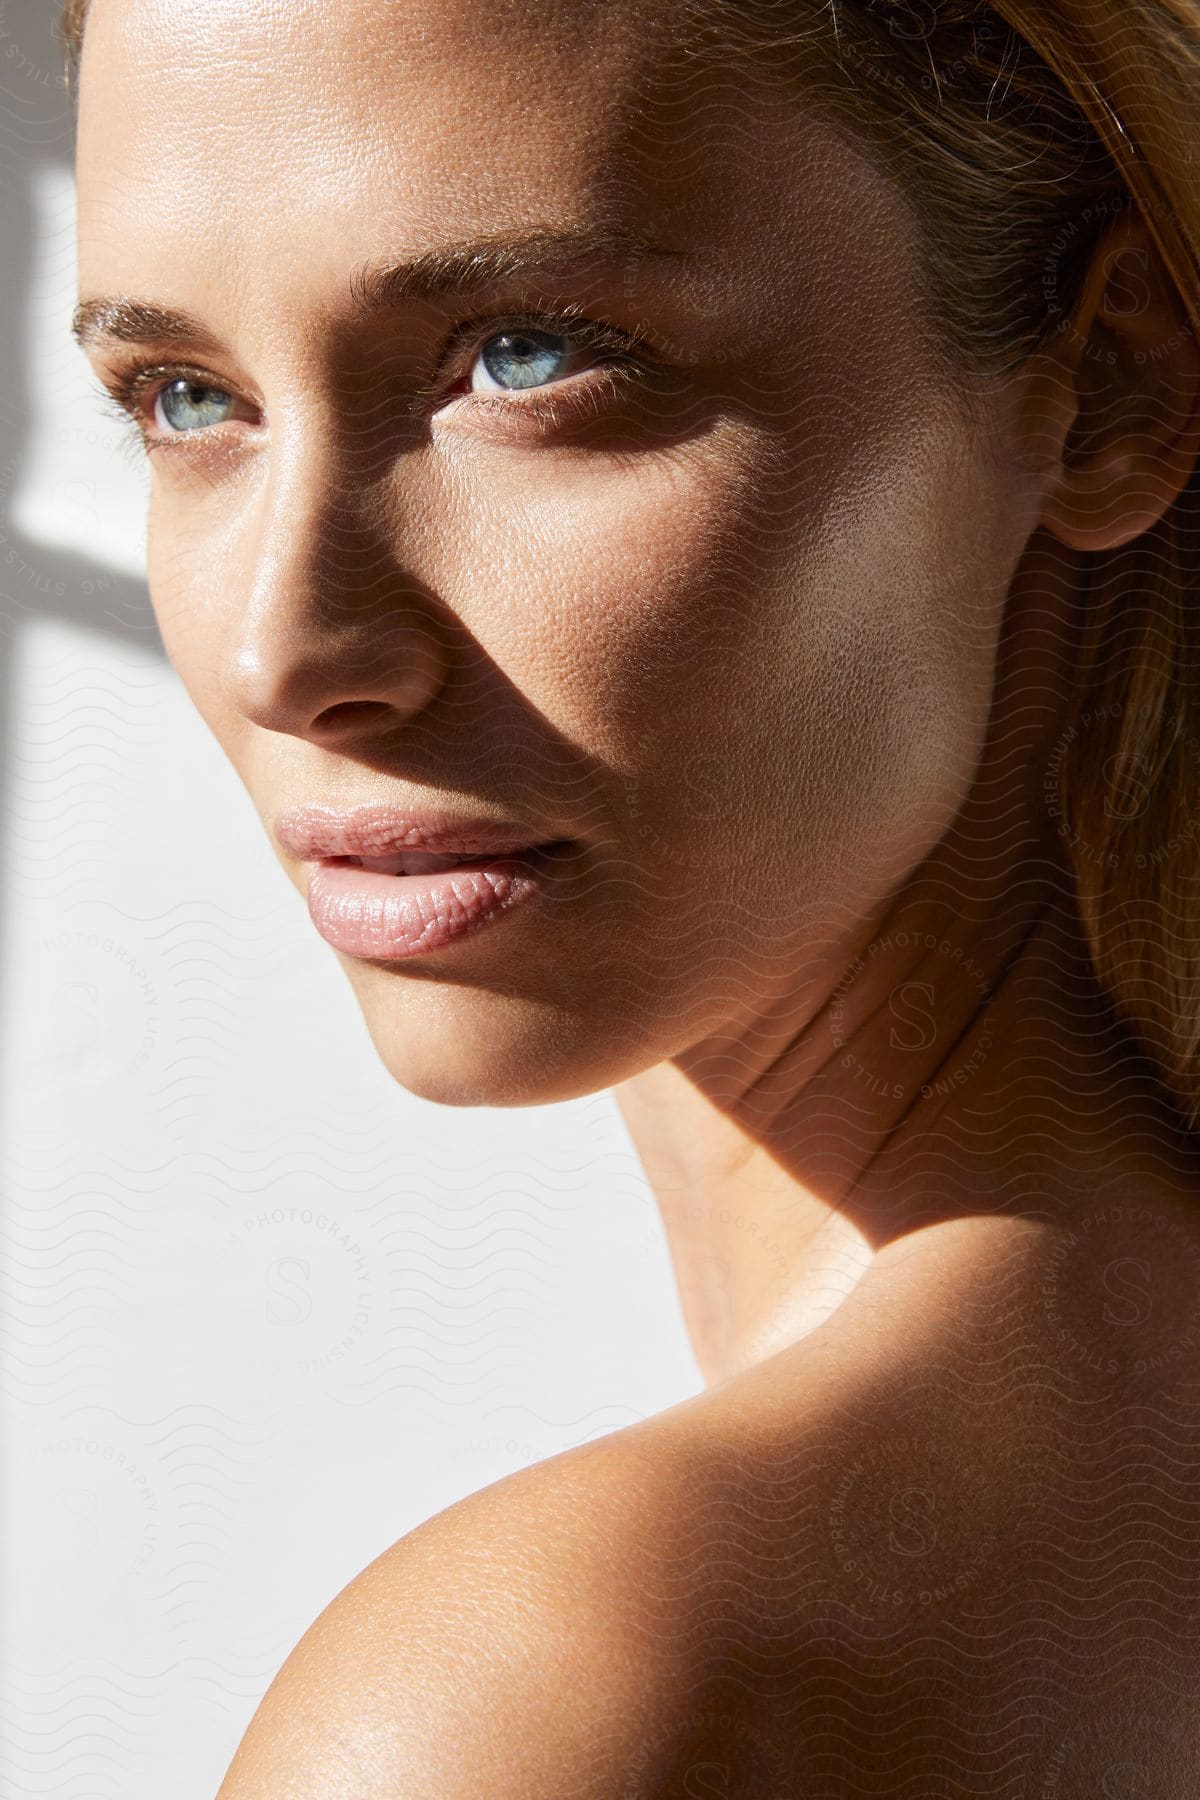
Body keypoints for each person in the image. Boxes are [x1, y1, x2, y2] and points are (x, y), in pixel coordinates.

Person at [63, 0, 1200, 1791]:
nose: (287, 648)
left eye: (522, 357)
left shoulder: (568, 1694)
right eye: (186, 398)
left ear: (1110, 386)